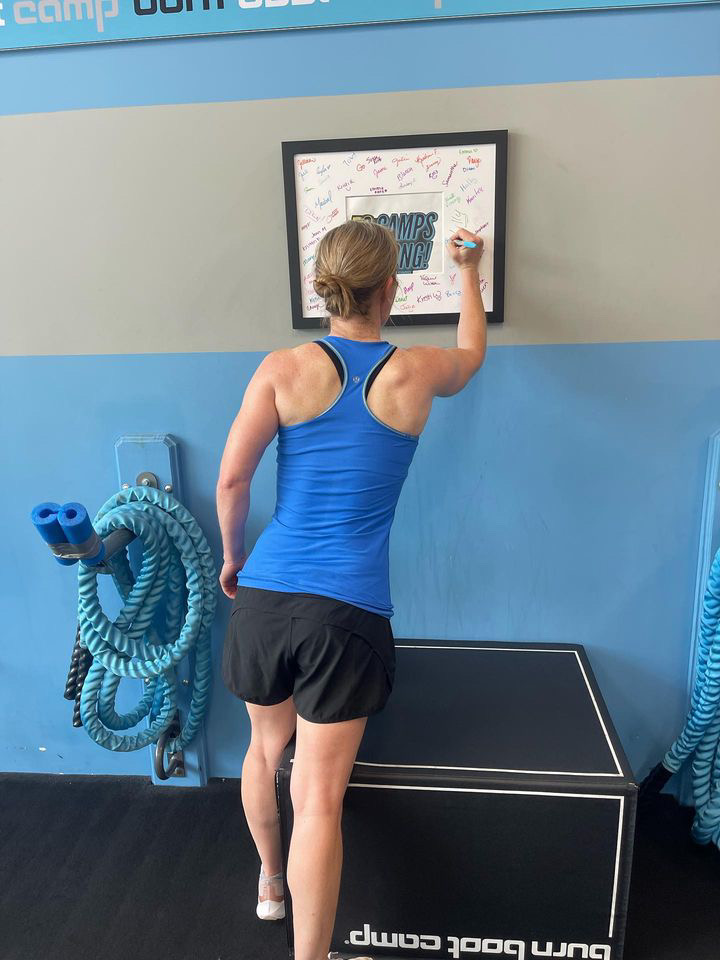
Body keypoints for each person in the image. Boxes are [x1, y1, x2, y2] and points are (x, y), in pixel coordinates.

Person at [216, 218, 486, 960]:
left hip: (265, 598)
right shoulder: (416, 371)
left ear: (323, 289)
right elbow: (472, 355)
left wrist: (234, 560)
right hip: (345, 613)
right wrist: (469, 272)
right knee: (317, 800)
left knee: (263, 750)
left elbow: (234, 480)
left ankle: (270, 883)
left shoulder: (281, 368)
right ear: (389, 290)